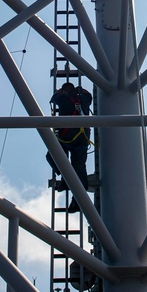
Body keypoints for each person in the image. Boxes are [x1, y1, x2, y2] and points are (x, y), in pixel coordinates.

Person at [46, 82, 92, 212]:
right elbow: (89, 95)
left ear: (65, 90)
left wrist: (60, 91)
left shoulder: (63, 98)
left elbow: (53, 98)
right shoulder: (83, 99)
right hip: (82, 139)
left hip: (67, 137)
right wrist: (80, 90)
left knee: (52, 156)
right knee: (79, 168)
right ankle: (78, 201)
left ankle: (66, 178)